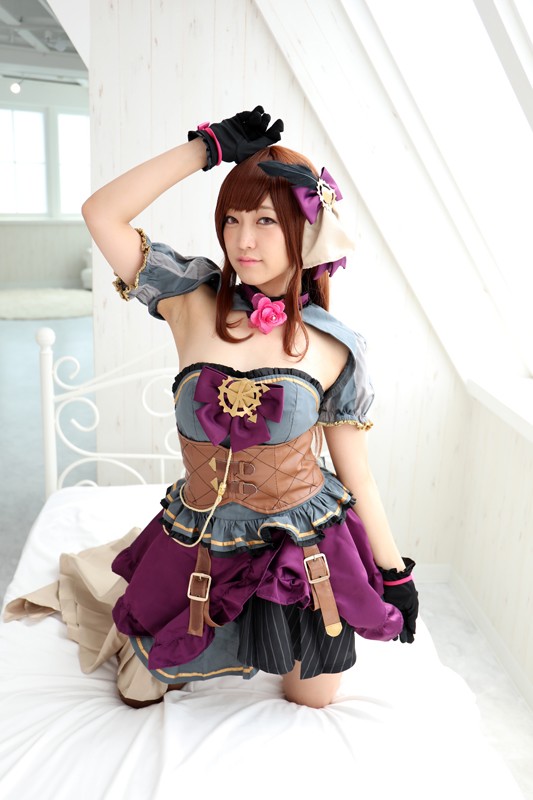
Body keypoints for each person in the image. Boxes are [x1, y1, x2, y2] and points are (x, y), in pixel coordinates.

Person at [7, 106, 418, 710]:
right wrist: (207, 149)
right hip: (202, 540)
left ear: (307, 230)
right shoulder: (192, 299)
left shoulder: (336, 346)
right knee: (137, 691)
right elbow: (101, 213)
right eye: (231, 219)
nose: (242, 240)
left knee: (313, 700)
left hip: (299, 553)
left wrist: (396, 572)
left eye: (265, 220)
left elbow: (360, 478)